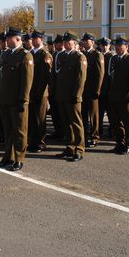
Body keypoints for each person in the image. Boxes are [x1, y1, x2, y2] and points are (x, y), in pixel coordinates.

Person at [0, 27, 33, 171]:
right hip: (4, 99)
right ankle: (7, 157)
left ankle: (19, 159)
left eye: (9, 38)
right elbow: (1, 78)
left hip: (17, 100)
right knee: (8, 130)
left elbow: (27, 81)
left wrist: (23, 100)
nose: (6, 41)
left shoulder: (25, 55)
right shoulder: (5, 54)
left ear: (17, 39)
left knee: (19, 131)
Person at [54, 31, 87, 162]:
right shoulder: (61, 56)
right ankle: (69, 147)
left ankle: (79, 149)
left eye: (69, 42)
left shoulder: (79, 57)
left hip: (73, 96)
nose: (67, 44)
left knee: (76, 123)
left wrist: (76, 95)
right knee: (66, 123)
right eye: (65, 42)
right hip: (62, 95)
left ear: (75, 43)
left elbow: (80, 78)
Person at [108, 37, 129, 154]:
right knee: (116, 122)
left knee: (127, 122)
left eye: (120, 46)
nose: (117, 48)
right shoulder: (114, 59)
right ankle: (119, 143)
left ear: (126, 47)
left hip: (126, 97)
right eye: (116, 46)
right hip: (114, 95)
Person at [27, 30, 52, 153]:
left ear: (41, 40)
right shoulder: (31, 53)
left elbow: (45, 77)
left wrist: (39, 92)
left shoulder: (45, 55)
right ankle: (32, 141)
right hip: (31, 91)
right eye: (32, 38)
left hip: (41, 93)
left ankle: (40, 143)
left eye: (36, 38)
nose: (33, 40)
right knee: (32, 118)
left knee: (40, 119)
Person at [80, 33, 104, 147]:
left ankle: (95, 137)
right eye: (84, 41)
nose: (85, 42)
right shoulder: (82, 54)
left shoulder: (97, 54)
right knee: (83, 114)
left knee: (93, 115)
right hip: (82, 90)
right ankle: (84, 136)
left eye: (87, 40)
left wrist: (97, 90)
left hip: (92, 89)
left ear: (92, 42)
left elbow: (100, 74)